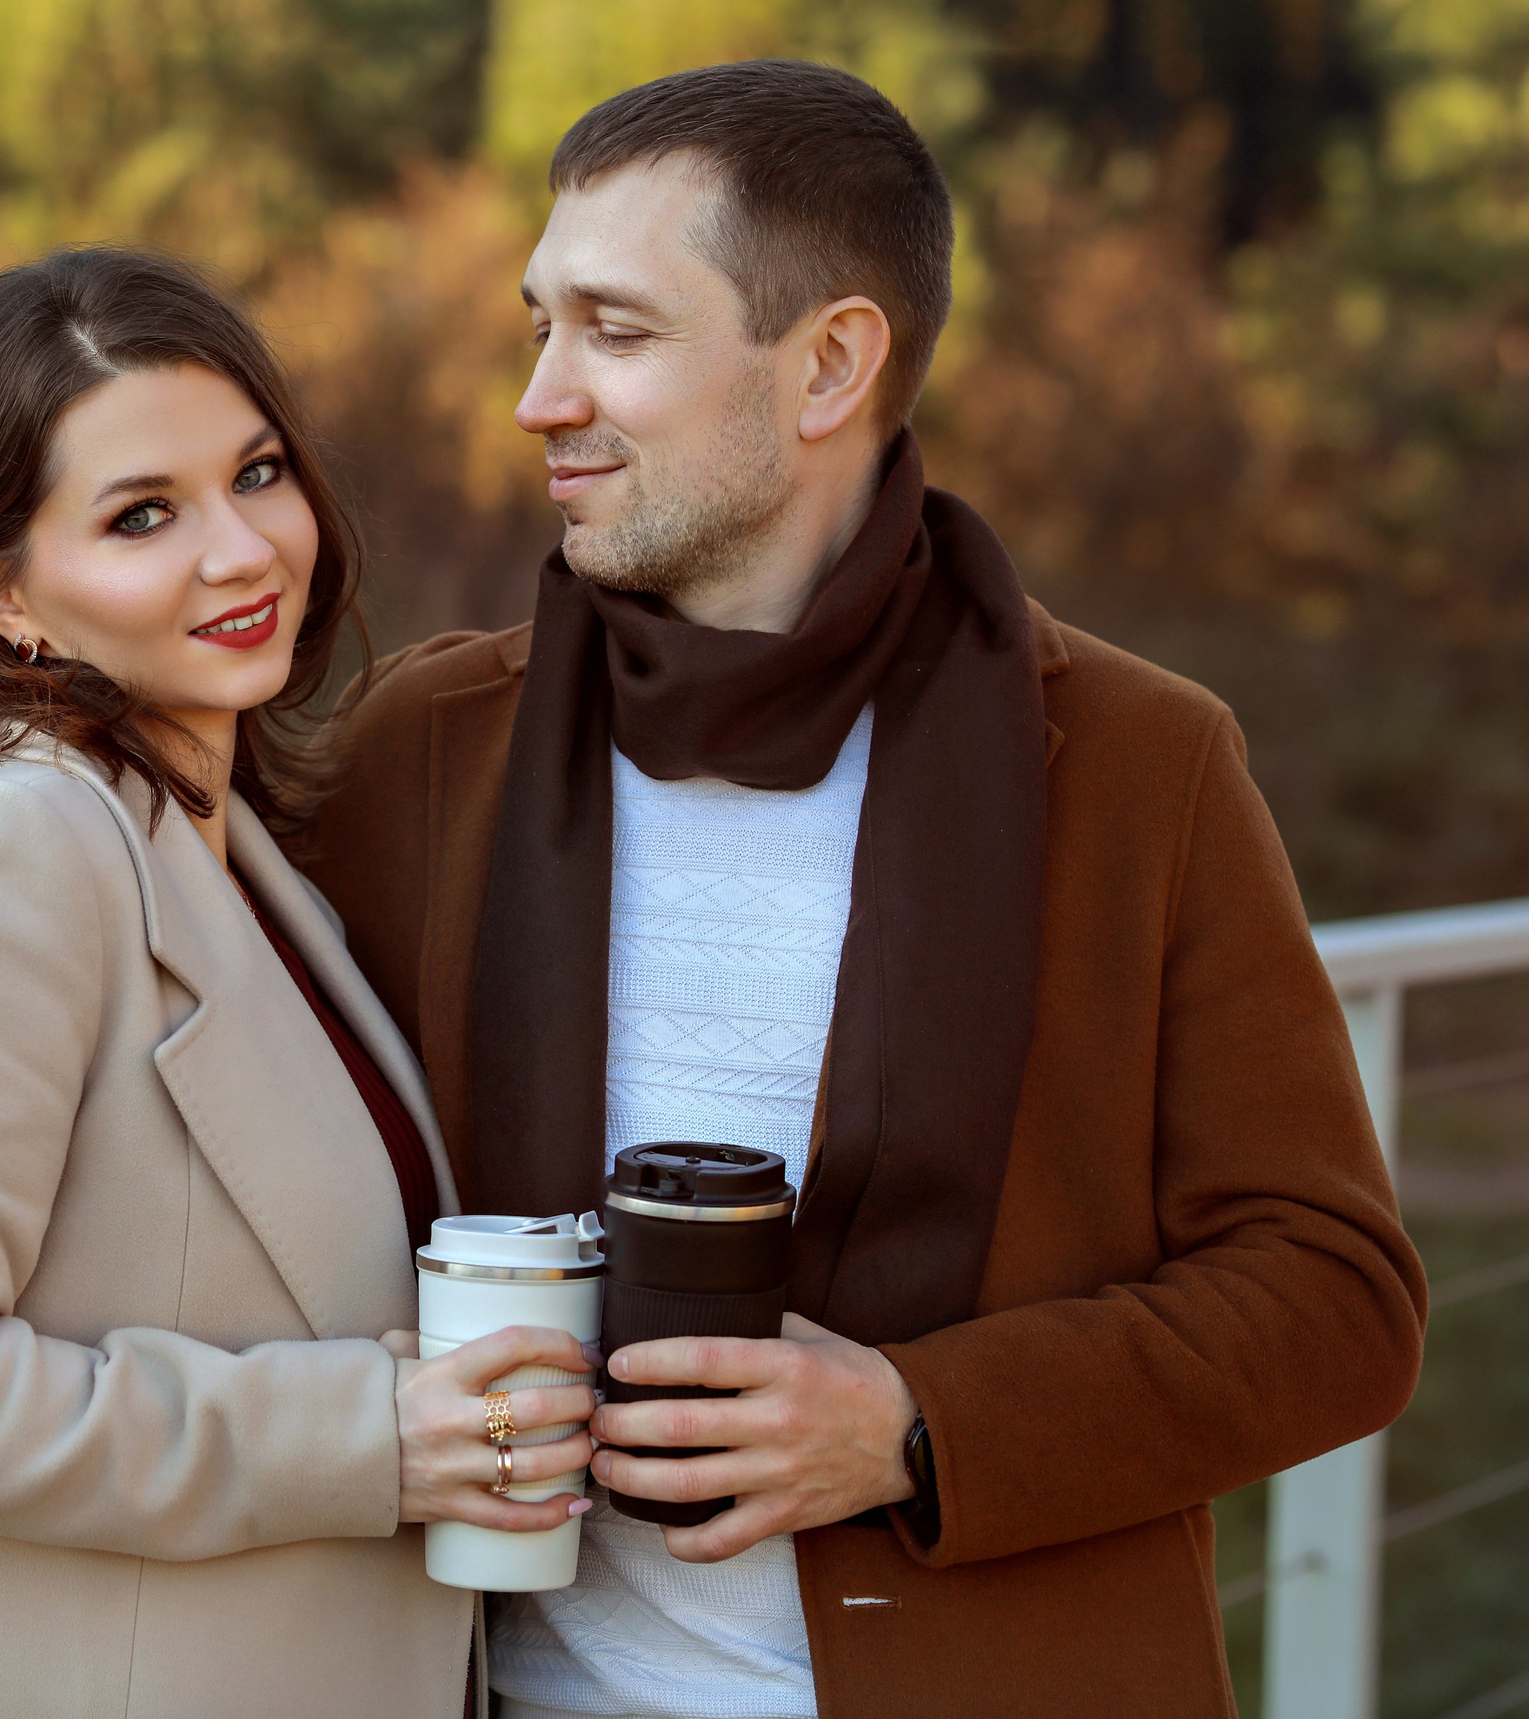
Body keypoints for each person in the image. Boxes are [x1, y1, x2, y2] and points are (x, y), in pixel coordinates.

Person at [296, 60, 1428, 1719]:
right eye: (536, 326)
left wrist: (911, 1419)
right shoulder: (419, 750)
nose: (540, 396)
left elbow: (1336, 1302)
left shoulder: (1133, 763)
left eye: (614, 332)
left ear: (829, 364)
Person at [0, 246, 599, 1719]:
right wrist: (364, 1440)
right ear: (2, 595)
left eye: (259, 474)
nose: (243, 551)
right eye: (143, 515)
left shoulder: (237, 858)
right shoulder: (19, 851)